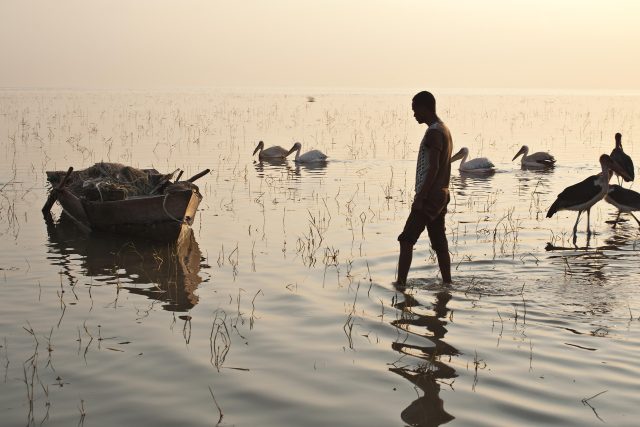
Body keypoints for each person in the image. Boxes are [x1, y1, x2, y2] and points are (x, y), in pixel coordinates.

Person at [396, 91, 453, 285]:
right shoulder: (443, 129)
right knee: (439, 243)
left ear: (424, 107)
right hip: (442, 194)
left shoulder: (435, 132)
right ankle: (447, 285)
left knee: (406, 239)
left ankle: (400, 285)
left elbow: (434, 167)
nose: (414, 114)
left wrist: (421, 196)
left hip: (430, 196)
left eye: (415, 110)